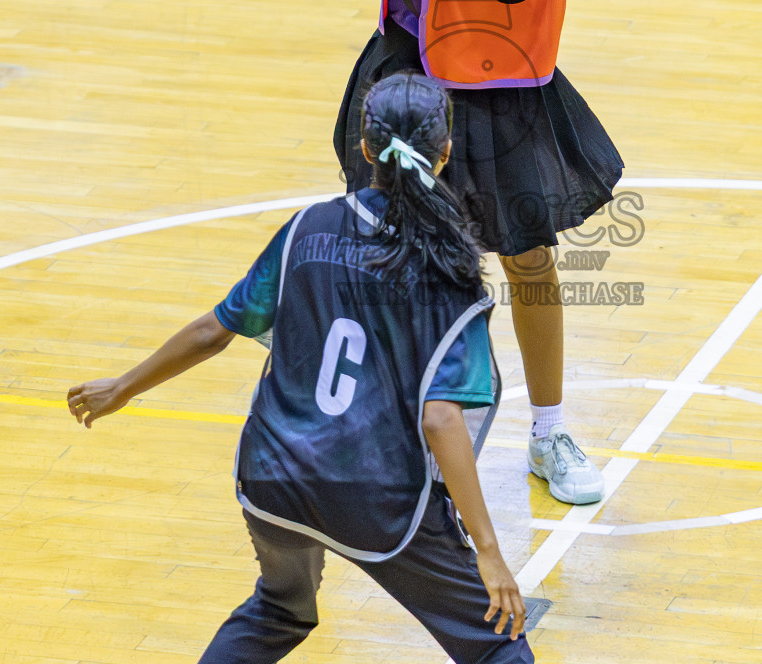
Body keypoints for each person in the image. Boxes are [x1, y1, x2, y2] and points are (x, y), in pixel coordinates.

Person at [334, 0, 713, 504]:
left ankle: (549, 436)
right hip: (424, 91)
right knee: (419, 269)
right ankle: (410, 430)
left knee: (531, 262)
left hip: (515, 87)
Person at [69, 73, 534, 664]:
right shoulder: (453, 276)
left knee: (279, 610)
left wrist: (125, 387)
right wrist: (489, 551)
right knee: (497, 649)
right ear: (445, 155)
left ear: (364, 149)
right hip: (375, 496)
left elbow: (215, 330)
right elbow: (442, 419)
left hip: (272, 478)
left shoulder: (307, 227)